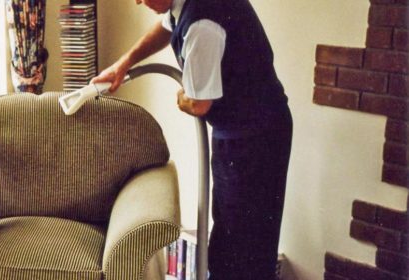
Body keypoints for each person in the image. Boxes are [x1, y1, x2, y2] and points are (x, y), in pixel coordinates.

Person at [91, 0, 293, 279]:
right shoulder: (183, 6)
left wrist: (183, 98)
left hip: (254, 137)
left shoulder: (203, 23)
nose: (138, 1)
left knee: (244, 243)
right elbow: (166, 27)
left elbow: (198, 104)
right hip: (243, 130)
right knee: (231, 233)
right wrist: (123, 63)